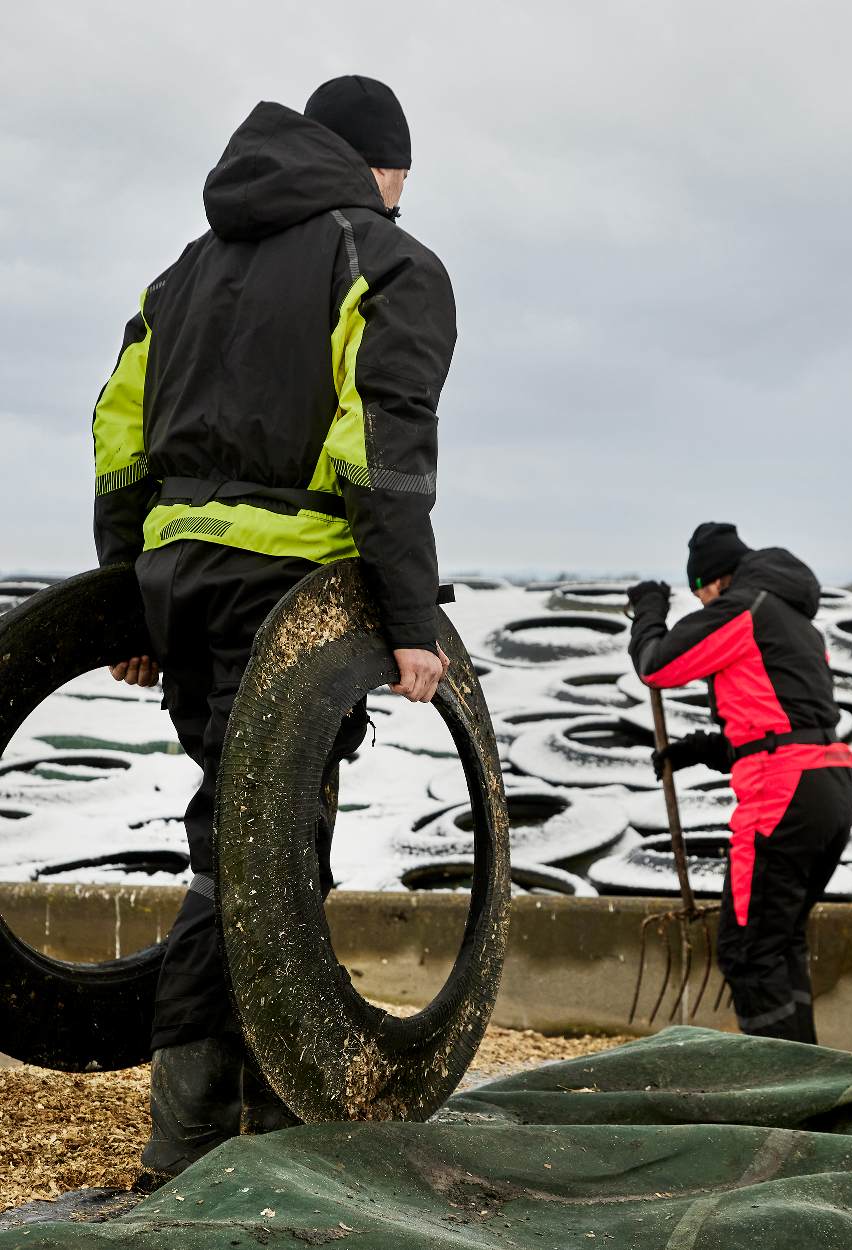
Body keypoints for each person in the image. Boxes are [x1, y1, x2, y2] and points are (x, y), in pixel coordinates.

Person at [91, 75, 457, 1175]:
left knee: (254, 834)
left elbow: (117, 436)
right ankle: (196, 1137)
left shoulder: (181, 271)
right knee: (251, 852)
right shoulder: (387, 260)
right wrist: (409, 617)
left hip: (183, 580)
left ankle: (253, 1108)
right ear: (374, 163)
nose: (401, 190)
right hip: (294, 592)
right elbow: (383, 453)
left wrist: (131, 594)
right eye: (400, 169)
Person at [627, 522, 852, 1044]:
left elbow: (658, 666)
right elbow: (785, 719)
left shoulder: (743, 609)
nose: (702, 603)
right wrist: (706, 749)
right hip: (829, 787)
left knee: (748, 951)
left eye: (700, 592)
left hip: (783, 794)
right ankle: (808, 1080)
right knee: (779, 943)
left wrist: (649, 612)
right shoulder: (794, 621)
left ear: (714, 581)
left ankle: (778, 1093)